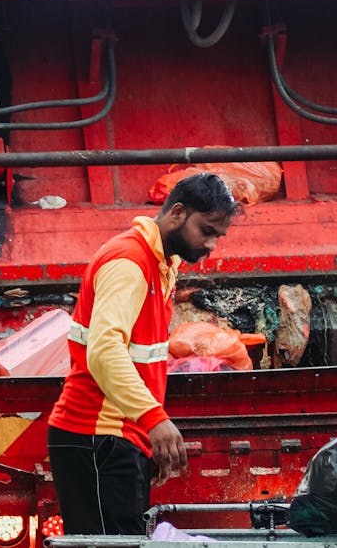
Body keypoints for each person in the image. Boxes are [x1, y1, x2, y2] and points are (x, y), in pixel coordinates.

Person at [47, 172, 240, 534]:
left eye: (219, 235)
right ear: (178, 213)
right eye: (208, 231)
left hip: (114, 437)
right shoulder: (129, 263)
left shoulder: (161, 262)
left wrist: (143, 436)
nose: (213, 245)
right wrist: (154, 421)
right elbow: (105, 353)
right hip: (96, 437)